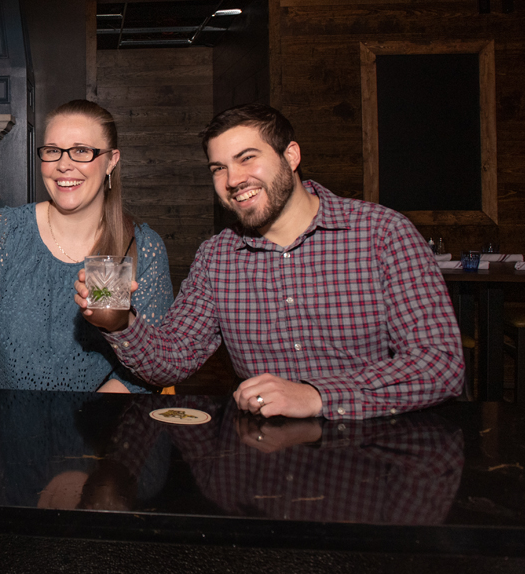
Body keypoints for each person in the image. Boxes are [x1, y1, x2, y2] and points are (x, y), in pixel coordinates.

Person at [76, 103, 465, 419]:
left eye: (247, 159)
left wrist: (317, 395)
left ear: (290, 155)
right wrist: (121, 321)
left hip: (381, 453)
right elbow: (174, 359)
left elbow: (440, 364)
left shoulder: (383, 233)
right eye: (219, 169)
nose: (232, 180)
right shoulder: (217, 257)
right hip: (265, 461)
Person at [0, 99, 173, 391]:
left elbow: (151, 367)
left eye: (82, 151)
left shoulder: (142, 246)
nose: (63, 165)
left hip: (93, 426)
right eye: (53, 151)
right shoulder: (6, 230)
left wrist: (87, 425)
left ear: (111, 160)